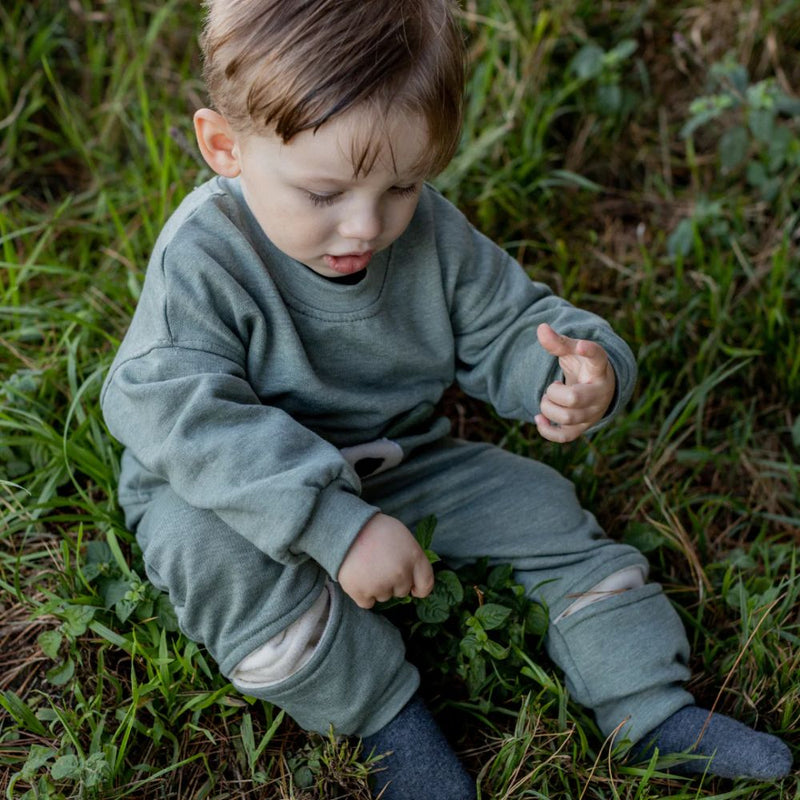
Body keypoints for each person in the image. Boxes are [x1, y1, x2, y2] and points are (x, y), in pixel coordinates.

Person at [100, 1, 792, 797]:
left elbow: (510, 319)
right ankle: (384, 722)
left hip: (394, 457)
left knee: (545, 509)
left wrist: (575, 372)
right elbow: (171, 411)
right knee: (210, 559)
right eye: (323, 193)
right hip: (225, 488)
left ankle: (650, 707)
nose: (365, 225)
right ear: (226, 146)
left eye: (402, 184)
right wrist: (334, 525)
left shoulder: (426, 232)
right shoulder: (205, 259)